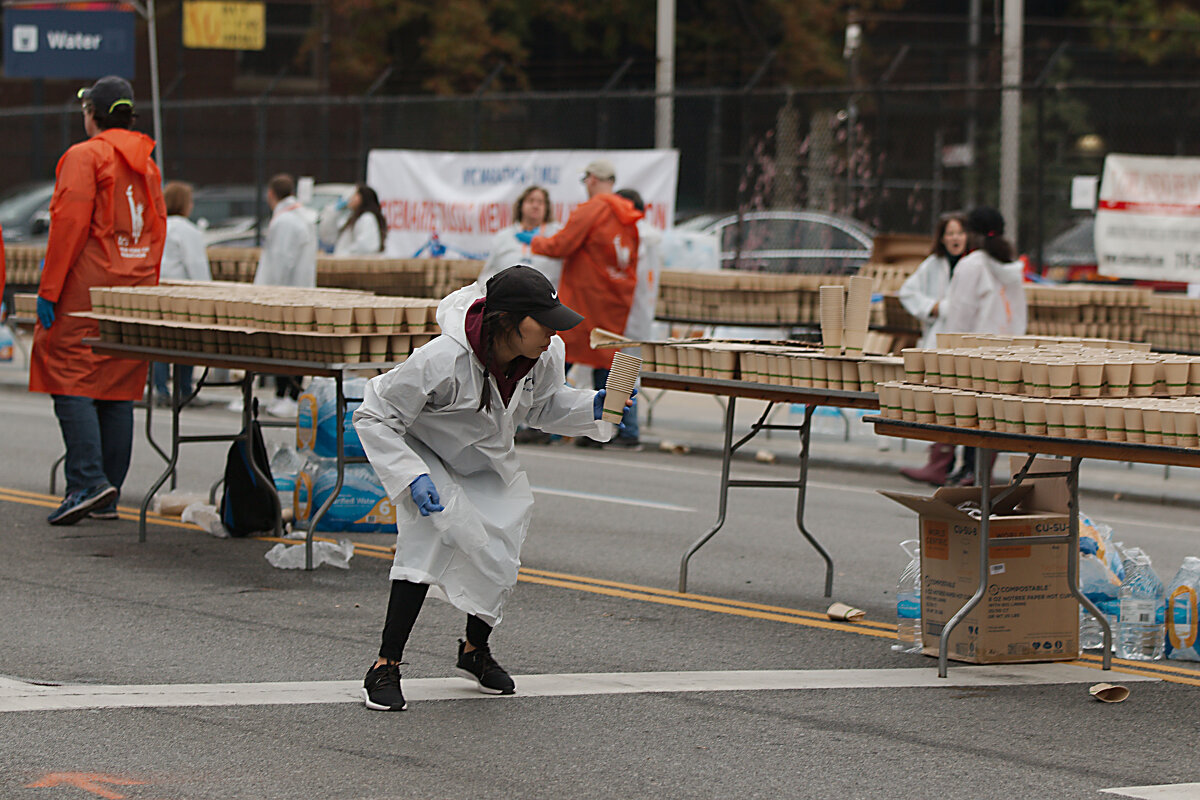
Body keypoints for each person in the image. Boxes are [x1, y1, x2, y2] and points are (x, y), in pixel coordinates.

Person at [353, 265, 633, 711]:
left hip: (486, 462)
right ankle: (384, 665)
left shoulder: (544, 355)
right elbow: (374, 414)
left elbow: (544, 407)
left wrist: (591, 405)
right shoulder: (441, 359)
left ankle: (474, 651)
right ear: (507, 320)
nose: (551, 332)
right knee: (427, 544)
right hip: (427, 456)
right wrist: (410, 473)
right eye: (542, 321)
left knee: (500, 548)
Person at [30, 75, 167, 525]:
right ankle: (106, 490)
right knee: (116, 385)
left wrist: (49, 291)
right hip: (132, 287)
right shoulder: (146, 163)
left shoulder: (84, 155)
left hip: (86, 286)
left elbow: (68, 225)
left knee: (68, 376)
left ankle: (88, 482)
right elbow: (157, 229)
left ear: (92, 113)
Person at [528, 159, 644, 447]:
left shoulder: (592, 209)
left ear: (591, 180)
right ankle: (621, 430)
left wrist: (534, 242)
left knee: (556, 359)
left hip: (584, 298)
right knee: (609, 362)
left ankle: (545, 425)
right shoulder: (628, 215)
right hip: (614, 300)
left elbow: (561, 245)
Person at [941, 205, 1028, 486]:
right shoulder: (1011, 267)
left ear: (970, 233)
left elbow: (959, 314)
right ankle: (977, 470)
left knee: (969, 414)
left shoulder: (971, 265)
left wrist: (947, 350)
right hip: (1006, 349)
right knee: (990, 416)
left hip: (974, 350)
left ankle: (967, 469)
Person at [897, 212, 968, 486]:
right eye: (949, 233)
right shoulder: (933, 264)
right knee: (943, 403)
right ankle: (940, 462)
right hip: (940, 340)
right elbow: (908, 292)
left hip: (967, 342)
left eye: (959, 233)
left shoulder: (973, 264)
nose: (955, 238)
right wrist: (932, 307)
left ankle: (966, 468)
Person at [254, 173, 317, 417]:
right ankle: (288, 394)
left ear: (271, 194)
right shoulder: (302, 217)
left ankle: (287, 395)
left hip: (285, 295)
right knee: (294, 346)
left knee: (283, 347)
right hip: (299, 292)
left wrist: (270, 295)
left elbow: (279, 262)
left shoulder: (285, 221)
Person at [152, 181, 211, 405]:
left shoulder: (158, 225)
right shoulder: (189, 230)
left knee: (160, 344)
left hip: (158, 291)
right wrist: (206, 292)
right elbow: (196, 265)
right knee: (186, 344)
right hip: (182, 294)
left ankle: (161, 390)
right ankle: (184, 390)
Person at [476, 185, 562, 288]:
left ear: (546, 208)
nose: (535, 205)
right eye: (530, 201)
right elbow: (488, 274)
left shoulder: (557, 235)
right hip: (507, 298)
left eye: (540, 202)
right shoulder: (503, 237)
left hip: (547, 299)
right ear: (521, 206)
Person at [332, 184, 386, 256]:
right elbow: (329, 235)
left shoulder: (367, 218)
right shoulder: (350, 218)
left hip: (356, 264)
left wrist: (344, 254)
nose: (350, 198)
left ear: (363, 198)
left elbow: (367, 246)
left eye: (355, 195)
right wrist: (333, 211)